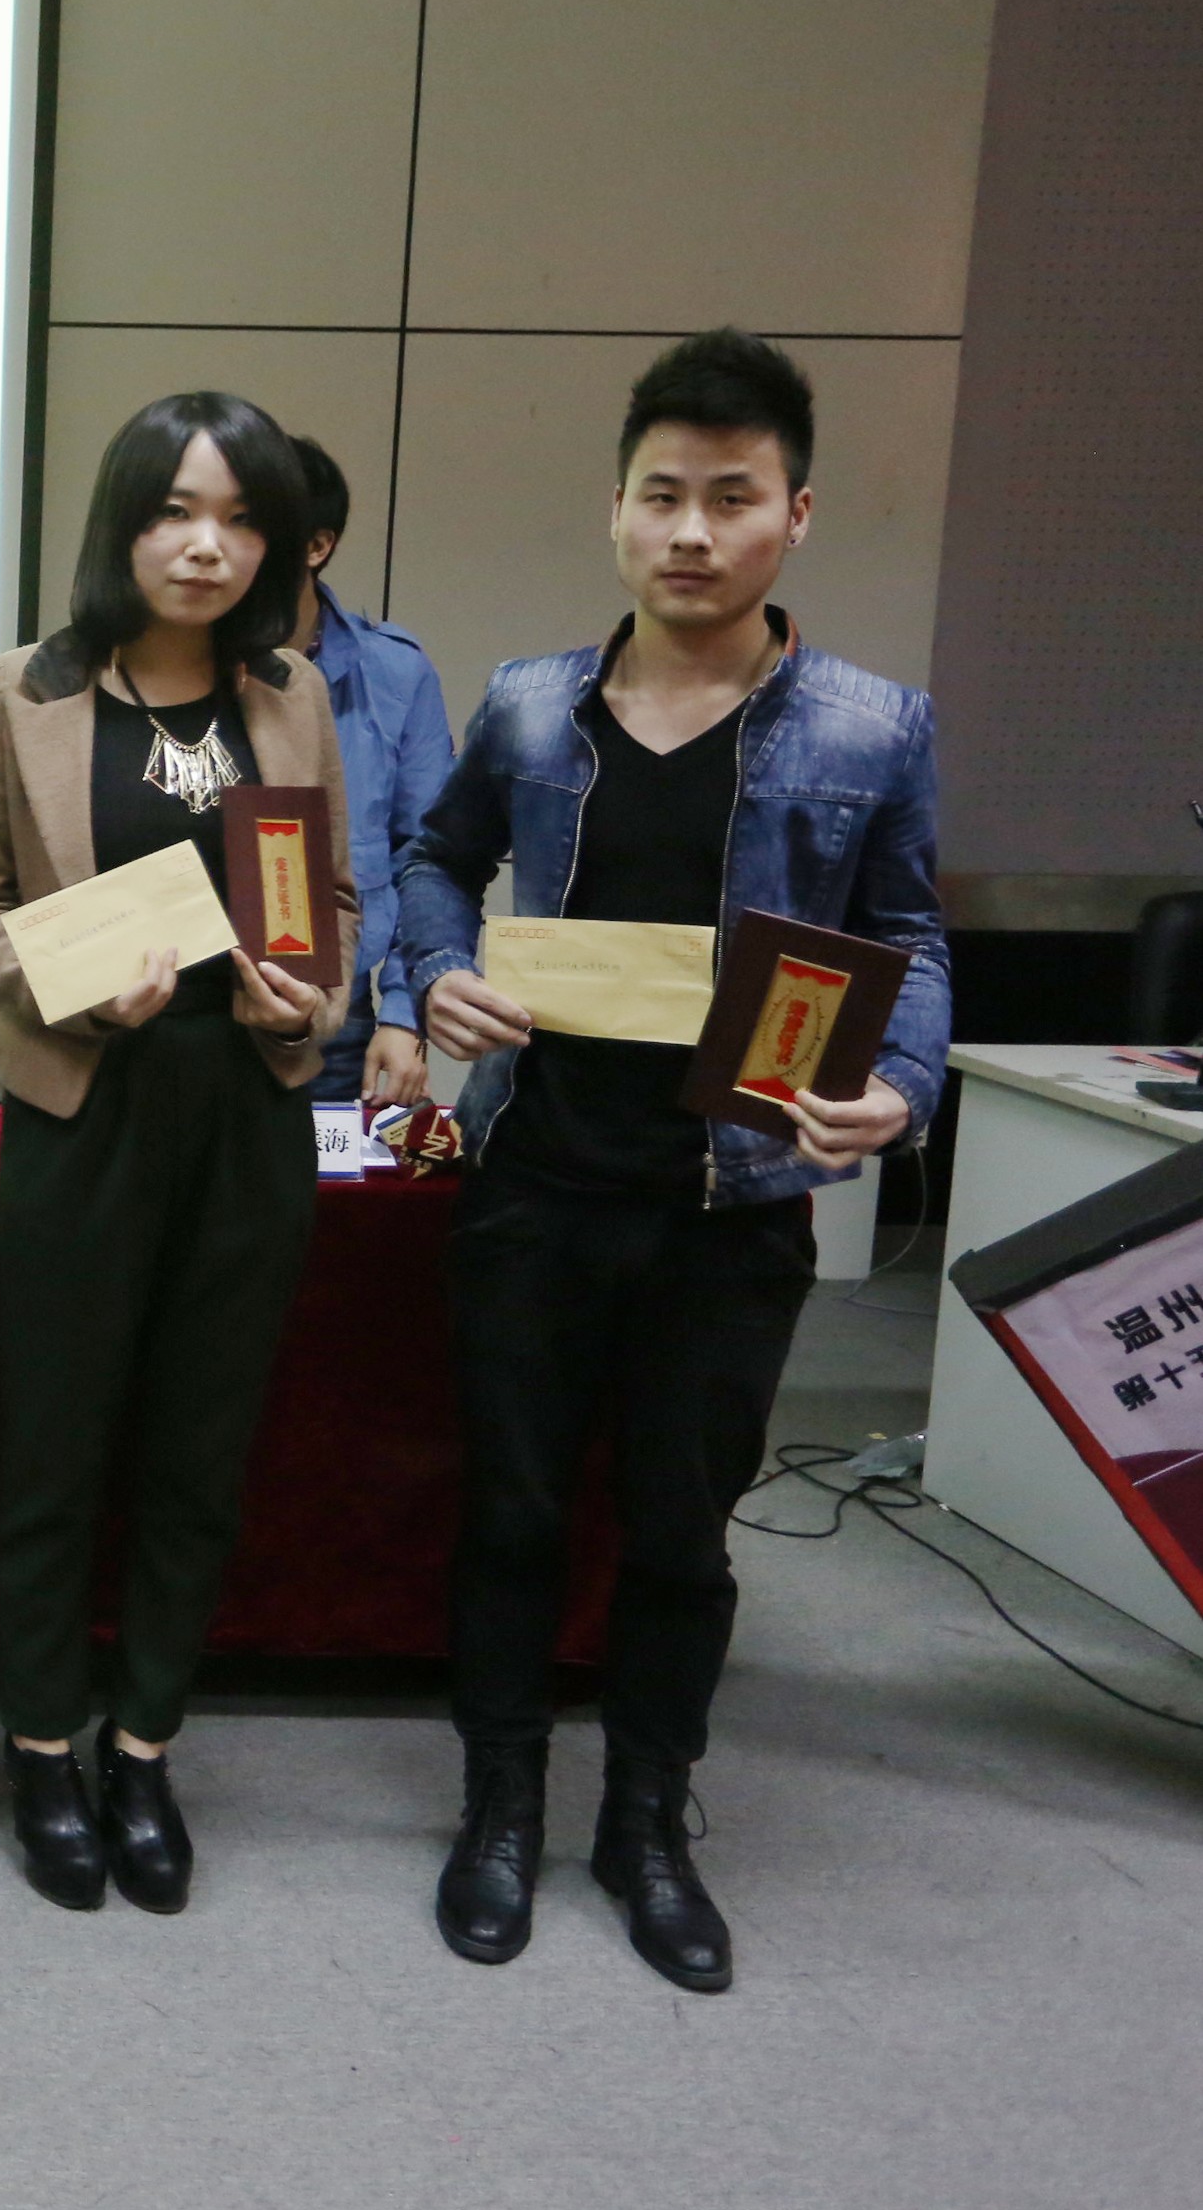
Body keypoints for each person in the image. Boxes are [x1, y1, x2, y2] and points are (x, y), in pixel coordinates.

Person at [400, 330, 946, 1992]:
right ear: (615, 510)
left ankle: (646, 1819)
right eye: (659, 495)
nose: (689, 531)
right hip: (535, 1183)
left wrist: (898, 1085)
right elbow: (436, 858)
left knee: (679, 1531)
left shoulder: (871, 728)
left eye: (729, 497)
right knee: (510, 1512)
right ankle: (500, 1805)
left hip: (731, 1205)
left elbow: (908, 932)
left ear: (795, 514)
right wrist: (436, 972)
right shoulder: (529, 702)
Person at [0, 392, 350, 1917]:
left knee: (197, 1448)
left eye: (239, 519)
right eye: (174, 510)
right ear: (120, 521)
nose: (204, 546)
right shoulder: (20, 693)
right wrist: (65, 981)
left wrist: (309, 996)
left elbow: (329, 901)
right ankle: (42, 1748)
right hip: (82, 1106)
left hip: (244, 1108)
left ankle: (144, 1746)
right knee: (54, 1446)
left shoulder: (290, 693)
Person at [284, 437, 453, 1110]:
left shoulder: (394, 672)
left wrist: (404, 1013)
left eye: (248, 521)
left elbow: (429, 856)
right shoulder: (181, 666)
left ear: (315, 545)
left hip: (335, 1013)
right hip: (186, 1007)